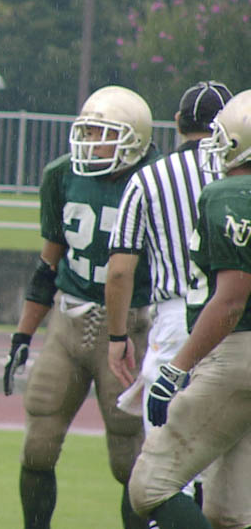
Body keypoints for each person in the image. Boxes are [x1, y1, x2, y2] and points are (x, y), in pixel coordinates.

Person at [2, 85, 157, 529]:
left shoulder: (153, 182)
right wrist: (23, 334)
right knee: (38, 446)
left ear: (134, 141)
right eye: (87, 132)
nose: (90, 143)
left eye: (103, 134)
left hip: (131, 327)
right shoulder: (62, 174)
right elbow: (48, 264)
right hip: (68, 324)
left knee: (129, 460)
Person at [106, 81, 232, 508]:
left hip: (177, 319)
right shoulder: (238, 176)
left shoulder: (149, 177)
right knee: (227, 469)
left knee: (164, 472)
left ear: (177, 122)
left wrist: (117, 336)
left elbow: (120, 268)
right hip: (238, 320)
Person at [129, 89, 251, 529]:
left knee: (150, 487)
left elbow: (231, 299)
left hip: (234, 355)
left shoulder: (230, 194)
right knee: (228, 512)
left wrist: (177, 367)